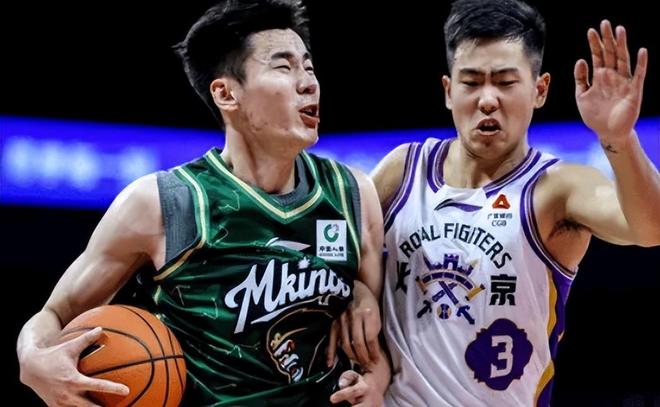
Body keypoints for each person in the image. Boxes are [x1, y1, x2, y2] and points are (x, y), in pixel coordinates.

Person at [16, 1, 389, 405]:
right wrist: (33, 358)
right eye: (284, 67)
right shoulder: (164, 203)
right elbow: (56, 313)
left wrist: (376, 375)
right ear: (226, 94)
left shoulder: (352, 193)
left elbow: (381, 344)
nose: (309, 83)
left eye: (309, 68)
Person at [371, 0, 659, 405]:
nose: (488, 99)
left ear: (540, 90)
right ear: (448, 91)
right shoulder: (402, 171)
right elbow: (336, 264)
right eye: (471, 82)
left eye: (505, 82)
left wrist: (619, 139)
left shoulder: (556, 188)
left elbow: (651, 228)